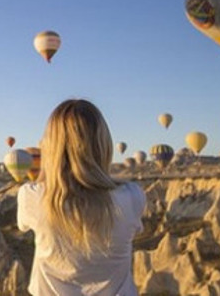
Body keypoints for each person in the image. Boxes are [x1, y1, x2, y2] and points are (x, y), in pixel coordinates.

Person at [17, 99, 146, 296]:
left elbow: (23, 225)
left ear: (51, 147)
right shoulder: (132, 196)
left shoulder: (31, 197)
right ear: (103, 145)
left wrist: (45, 168)